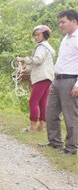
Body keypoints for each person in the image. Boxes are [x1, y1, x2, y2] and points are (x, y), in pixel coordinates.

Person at [43, 9, 78, 155]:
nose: (60, 25)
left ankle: (71, 147)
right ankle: (55, 142)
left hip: (70, 81)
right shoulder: (66, 38)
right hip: (57, 80)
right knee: (50, 112)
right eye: (60, 22)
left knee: (71, 116)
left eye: (63, 22)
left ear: (74, 22)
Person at [15, 25, 55, 132]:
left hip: (41, 78)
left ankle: (32, 126)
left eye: (38, 35)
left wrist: (23, 59)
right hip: (48, 78)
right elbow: (37, 65)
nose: (36, 37)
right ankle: (41, 126)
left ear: (44, 35)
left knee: (33, 101)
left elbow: (37, 60)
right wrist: (26, 69)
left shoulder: (41, 47)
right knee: (43, 102)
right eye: (35, 35)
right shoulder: (48, 47)